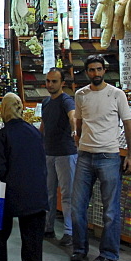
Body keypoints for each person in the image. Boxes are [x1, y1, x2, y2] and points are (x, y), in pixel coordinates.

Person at [70, 55, 131, 261]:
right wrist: (79, 141)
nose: (96, 73)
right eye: (91, 70)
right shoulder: (81, 95)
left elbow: (128, 125)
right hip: (85, 156)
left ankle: (108, 253)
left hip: (109, 156)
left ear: (104, 70)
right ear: (86, 72)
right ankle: (80, 249)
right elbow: (78, 122)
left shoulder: (117, 95)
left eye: (99, 69)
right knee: (77, 207)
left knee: (110, 210)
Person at [0, 93, 48, 261]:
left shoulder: (3, 135)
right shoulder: (35, 132)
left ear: (4, 110)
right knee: (33, 240)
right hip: (36, 193)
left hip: (9, 193)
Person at [40, 67, 76, 246]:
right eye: (48, 81)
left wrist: (75, 129)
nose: (50, 84)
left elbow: (73, 116)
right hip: (49, 153)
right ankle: (48, 227)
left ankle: (69, 232)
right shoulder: (46, 102)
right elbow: (43, 125)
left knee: (67, 194)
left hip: (65, 154)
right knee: (49, 193)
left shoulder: (66, 100)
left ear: (62, 83)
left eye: (54, 81)